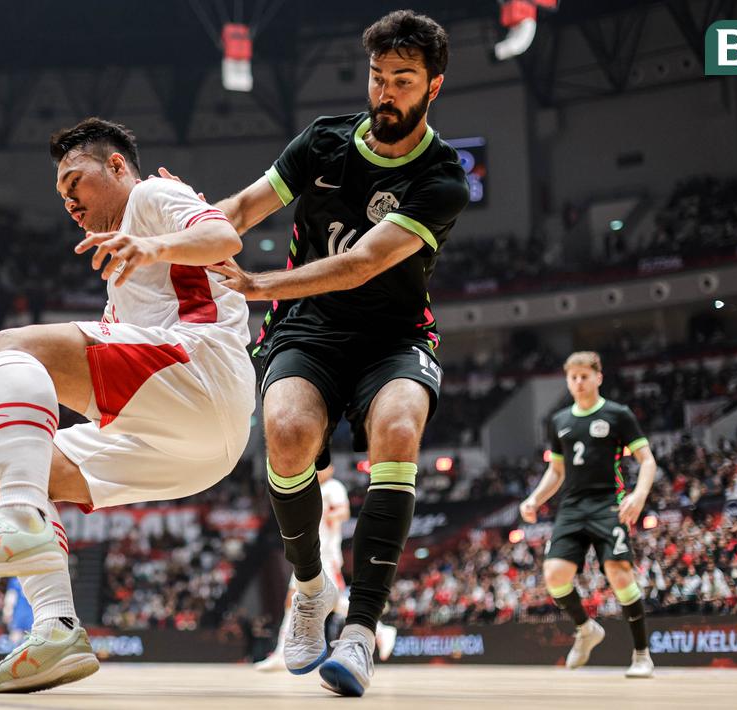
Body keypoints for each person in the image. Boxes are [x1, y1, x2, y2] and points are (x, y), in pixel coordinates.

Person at [0, 118, 255, 693]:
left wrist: (18, 349)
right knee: (18, 472)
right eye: (61, 193)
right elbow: (106, 347)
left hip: (204, 373)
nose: (68, 200)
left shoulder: (151, 194)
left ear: (117, 166)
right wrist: (4, 354)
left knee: (20, 348)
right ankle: (56, 630)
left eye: (76, 181)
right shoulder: (124, 283)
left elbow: (224, 237)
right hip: (198, 449)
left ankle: (17, 524)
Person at [178, 9, 468, 696]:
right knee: (284, 432)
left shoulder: (442, 177)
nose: (385, 92)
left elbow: (362, 263)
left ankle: (361, 631)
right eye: (377, 76)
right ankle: (311, 588)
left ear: (433, 87)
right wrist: (174, 232)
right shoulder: (322, 141)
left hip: (394, 338)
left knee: (399, 426)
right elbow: (241, 211)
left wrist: (257, 284)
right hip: (306, 330)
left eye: (403, 80)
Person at [520, 351, 657, 678]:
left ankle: (641, 655)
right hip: (571, 507)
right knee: (554, 575)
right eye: (573, 377)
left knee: (619, 574)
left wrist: (639, 495)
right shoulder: (559, 420)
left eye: (584, 376)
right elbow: (556, 471)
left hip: (608, 503)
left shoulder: (618, 414)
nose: (579, 382)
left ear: (598, 377)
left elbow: (647, 460)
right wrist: (534, 499)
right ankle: (585, 628)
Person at [256, 464, 349, 671]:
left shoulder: (334, 487)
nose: (319, 470)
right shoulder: (310, 488)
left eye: (323, 466)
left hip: (327, 555)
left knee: (334, 601)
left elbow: (344, 511)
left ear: (332, 469)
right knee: (293, 600)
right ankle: (281, 652)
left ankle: (378, 628)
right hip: (309, 554)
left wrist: (331, 516)